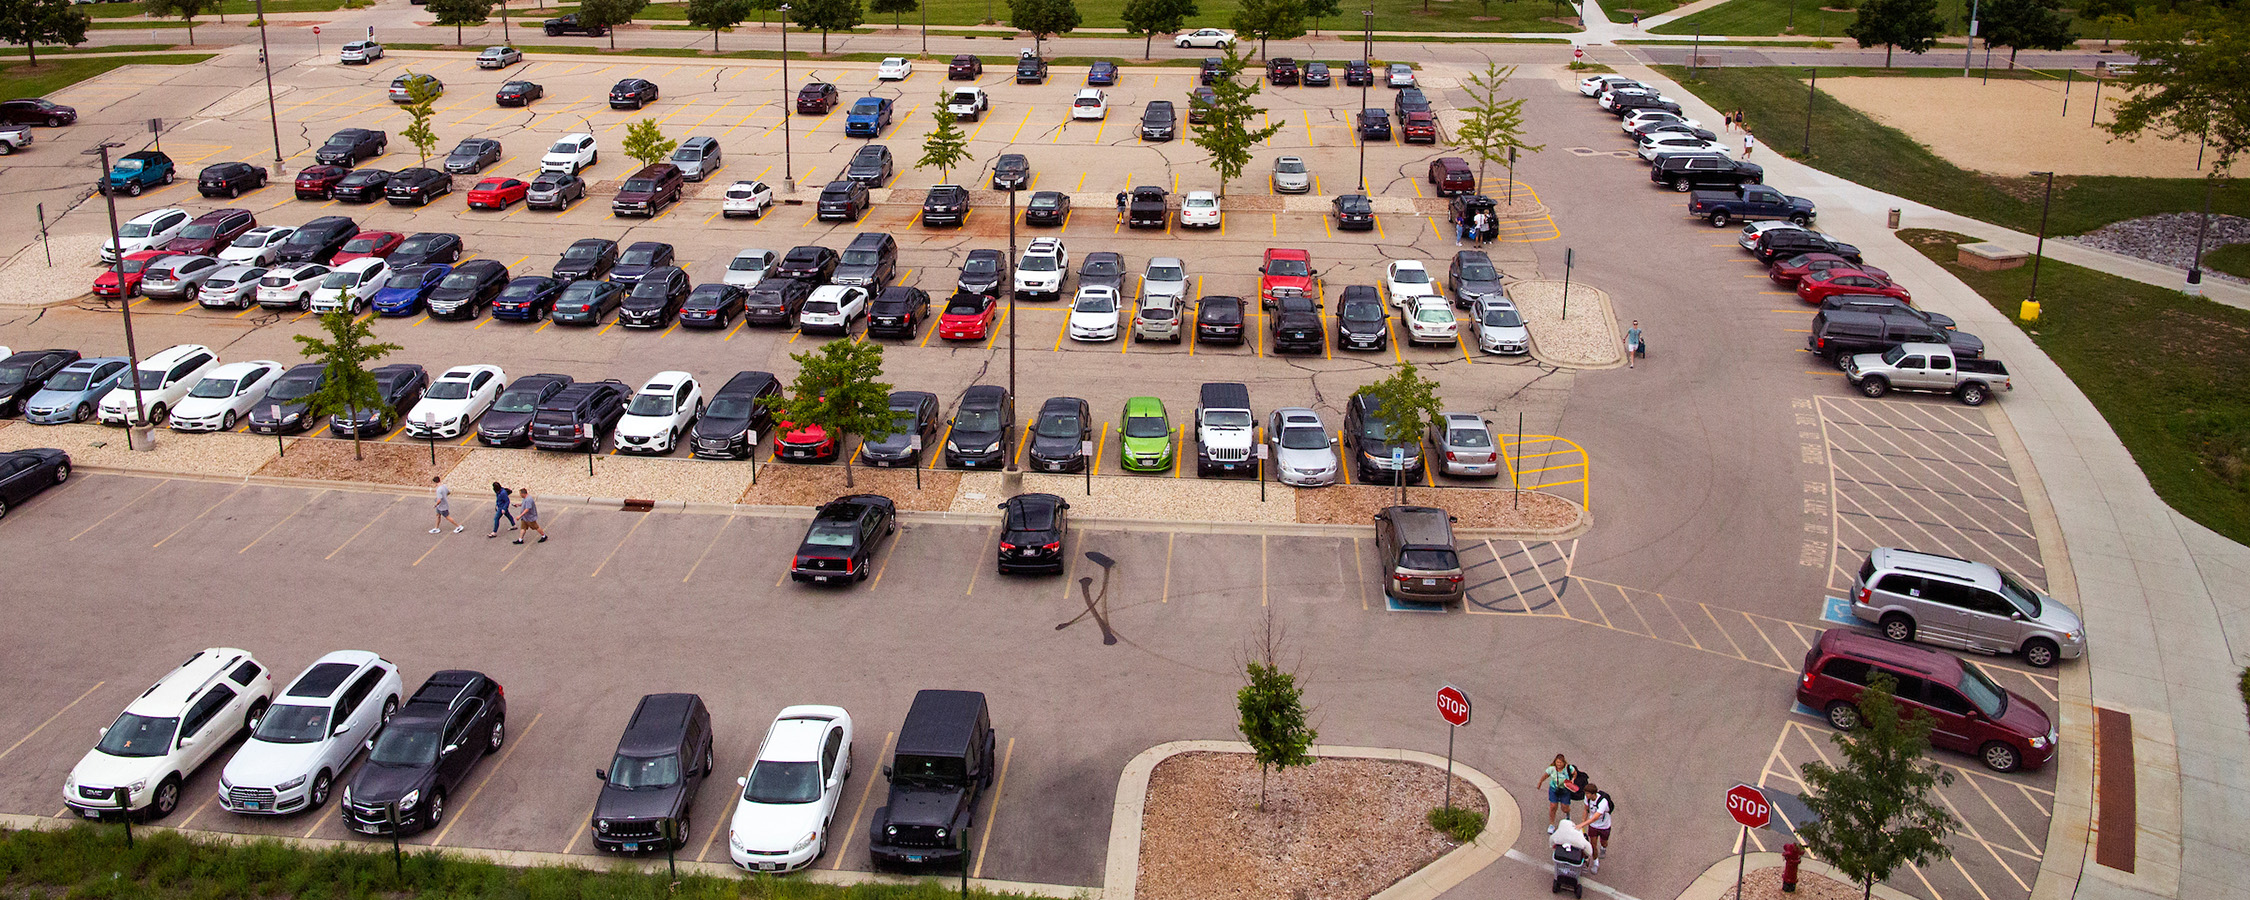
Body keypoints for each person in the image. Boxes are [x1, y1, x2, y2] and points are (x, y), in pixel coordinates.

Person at [1537, 754, 1577, 834]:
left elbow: (1575, 773)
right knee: (1553, 806)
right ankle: (1551, 824)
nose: (1559, 764)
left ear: (1563, 762)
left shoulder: (1568, 768)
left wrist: (1572, 780)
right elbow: (1545, 775)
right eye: (1557, 762)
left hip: (1565, 790)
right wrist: (1540, 782)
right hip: (1554, 789)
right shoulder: (1551, 769)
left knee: (1564, 808)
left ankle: (1567, 814)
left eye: (1560, 763)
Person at [1581, 782, 1613, 870]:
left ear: (1593, 794)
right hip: (1593, 826)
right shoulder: (1587, 798)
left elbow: (1595, 817)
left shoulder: (1603, 802)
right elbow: (1586, 809)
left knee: (1604, 842)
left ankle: (1603, 847)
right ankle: (1595, 862)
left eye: (1587, 793)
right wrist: (1583, 819)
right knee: (1593, 844)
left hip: (1604, 826)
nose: (1586, 795)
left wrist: (1582, 824)